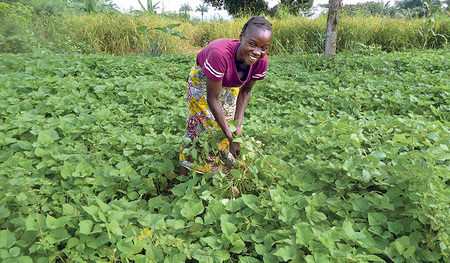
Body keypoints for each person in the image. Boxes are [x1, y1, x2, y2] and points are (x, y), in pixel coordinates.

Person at [179, 16, 273, 175]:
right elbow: (212, 98)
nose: (257, 52)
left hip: (232, 83)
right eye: (252, 44)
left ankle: (217, 172)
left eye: (264, 47)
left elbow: (246, 91)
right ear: (241, 37)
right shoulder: (220, 54)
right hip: (203, 81)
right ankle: (183, 176)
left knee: (226, 126)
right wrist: (231, 138)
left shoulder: (261, 62)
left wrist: (236, 128)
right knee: (199, 128)